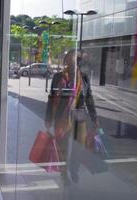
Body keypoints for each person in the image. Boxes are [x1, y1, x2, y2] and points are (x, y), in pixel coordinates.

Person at [44, 49, 99, 183]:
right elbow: (52, 98)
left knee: (78, 147)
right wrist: (48, 119)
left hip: (80, 117)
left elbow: (89, 98)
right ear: (67, 60)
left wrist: (94, 117)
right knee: (62, 146)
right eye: (72, 59)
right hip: (61, 117)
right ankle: (63, 174)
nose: (75, 62)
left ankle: (74, 169)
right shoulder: (58, 77)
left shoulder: (84, 77)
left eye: (77, 59)